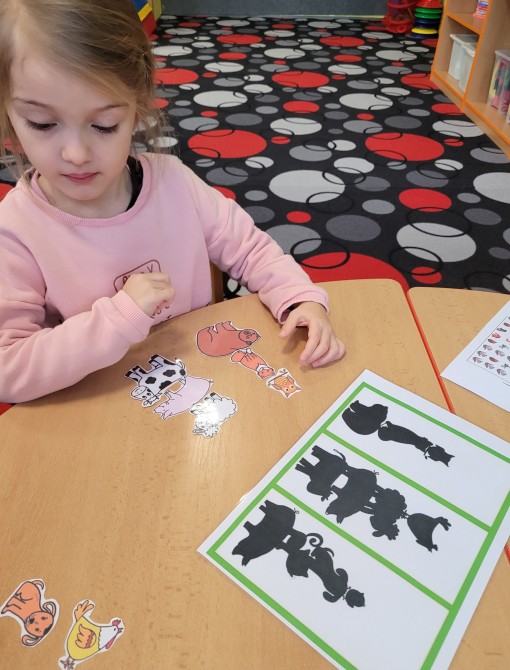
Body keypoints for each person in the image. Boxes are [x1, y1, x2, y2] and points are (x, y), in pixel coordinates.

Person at [0, 0, 345, 404]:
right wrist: (118, 317)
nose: (76, 154)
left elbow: (250, 249)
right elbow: (9, 368)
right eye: (42, 124)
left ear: (136, 109)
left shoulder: (173, 182)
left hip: (207, 380)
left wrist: (298, 297)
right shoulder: (15, 230)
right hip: (103, 406)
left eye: (104, 125)